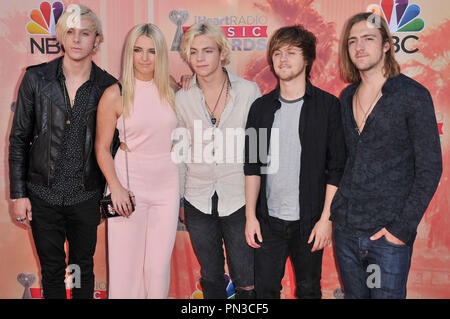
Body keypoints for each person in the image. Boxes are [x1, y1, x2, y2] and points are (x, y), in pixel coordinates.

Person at [331, 12, 442, 299]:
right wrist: (336, 214)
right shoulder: (346, 97)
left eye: (368, 39)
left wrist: (400, 229)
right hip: (346, 232)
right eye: (353, 41)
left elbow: (430, 168)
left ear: (385, 45)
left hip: (387, 238)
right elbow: (345, 162)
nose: (359, 47)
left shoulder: (412, 95)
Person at [8, 5, 117, 299]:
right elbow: (19, 139)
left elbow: (114, 148)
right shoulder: (36, 79)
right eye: (70, 32)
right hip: (43, 196)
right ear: (61, 37)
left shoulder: (109, 87)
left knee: (82, 269)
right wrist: (19, 195)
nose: (77, 39)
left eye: (85, 33)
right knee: (52, 270)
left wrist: (107, 193)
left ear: (97, 40)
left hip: (86, 197)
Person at [244, 25, 346, 299]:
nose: (282, 59)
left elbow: (336, 168)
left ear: (308, 58)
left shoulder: (328, 106)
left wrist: (326, 219)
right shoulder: (260, 108)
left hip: (310, 222)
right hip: (268, 222)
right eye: (277, 53)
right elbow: (252, 166)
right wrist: (250, 216)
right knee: (265, 292)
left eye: (291, 52)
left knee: (309, 290)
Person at [174, 22, 261, 299]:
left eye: (208, 51)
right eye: (194, 51)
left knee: (246, 278)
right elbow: (179, 154)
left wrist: (257, 205)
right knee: (211, 277)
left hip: (240, 199)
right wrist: (179, 200)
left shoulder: (248, 92)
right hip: (197, 198)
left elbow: (258, 152)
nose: (200, 58)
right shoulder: (182, 97)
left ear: (222, 53)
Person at [95, 23, 179, 299]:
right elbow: (102, 147)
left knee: (157, 269)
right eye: (138, 50)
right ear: (129, 53)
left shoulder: (174, 89)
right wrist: (115, 187)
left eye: (152, 51)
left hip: (167, 187)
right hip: (128, 186)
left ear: (162, 55)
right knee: (125, 269)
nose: (144, 58)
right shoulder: (115, 94)